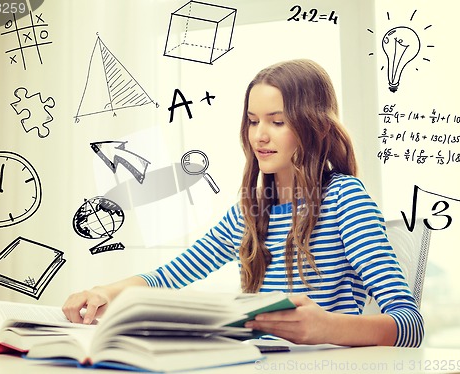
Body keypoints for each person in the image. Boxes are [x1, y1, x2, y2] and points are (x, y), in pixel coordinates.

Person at [63, 59, 424, 348]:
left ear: (316, 127)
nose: (260, 136)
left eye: (277, 121)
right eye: (253, 122)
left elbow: (409, 324)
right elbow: (169, 277)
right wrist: (103, 293)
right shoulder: (250, 211)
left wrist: (326, 328)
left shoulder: (345, 199)